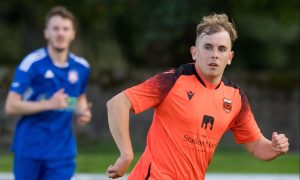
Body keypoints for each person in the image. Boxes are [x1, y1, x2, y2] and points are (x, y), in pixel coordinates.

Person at [106, 13, 289, 179]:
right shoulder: (174, 80)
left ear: (230, 57)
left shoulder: (235, 97)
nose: (214, 55)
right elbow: (117, 103)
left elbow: (257, 146)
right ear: (194, 52)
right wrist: (126, 154)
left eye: (221, 49)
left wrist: (275, 148)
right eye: (208, 47)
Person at [4, 6, 91, 180]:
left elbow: (79, 98)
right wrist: (48, 104)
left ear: (72, 34)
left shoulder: (82, 67)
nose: (60, 33)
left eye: (65, 29)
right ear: (46, 33)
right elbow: (11, 106)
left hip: (62, 152)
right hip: (30, 149)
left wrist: (82, 113)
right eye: (55, 28)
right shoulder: (32, 63)